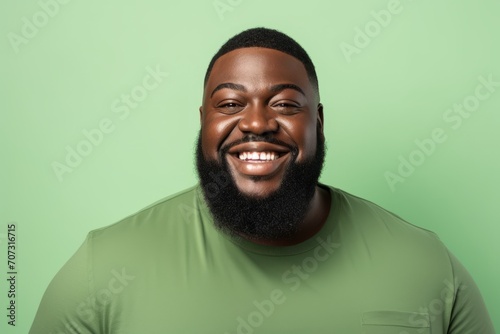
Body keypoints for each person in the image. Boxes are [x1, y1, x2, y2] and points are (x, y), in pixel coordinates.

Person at [30, 27, 495, 334]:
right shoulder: (103, 269)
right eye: (230, 104)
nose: (256, 123)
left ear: (319, 122)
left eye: (286, 104)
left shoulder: (427, 266)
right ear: (204, 122)